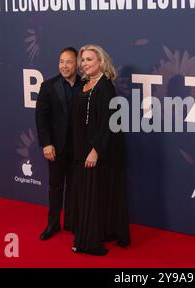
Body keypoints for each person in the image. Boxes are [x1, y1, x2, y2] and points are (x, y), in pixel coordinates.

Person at [72, 44, 130, 255]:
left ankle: (90, 242)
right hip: (82, 150)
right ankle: (90, 235)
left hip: (98, 152)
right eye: (83, 60)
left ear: (101, 62)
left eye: (89, 59)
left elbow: (108, 123)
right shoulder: (87, 84)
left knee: (94, 195)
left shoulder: (106, 87)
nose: (84, 63)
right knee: (88, 194)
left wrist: (96, 150)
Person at [35, 47, 83, 240]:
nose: (64, 65)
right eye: (61, 61)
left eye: (69, 61)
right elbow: (41, 118)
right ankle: (53, 224)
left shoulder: (86, 85)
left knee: (75, 187)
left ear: (77, 64)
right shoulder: (48, 86)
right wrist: (46, 144)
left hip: (79, 148)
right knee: (56, 187)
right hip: (56, 147)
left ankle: (71, 223)